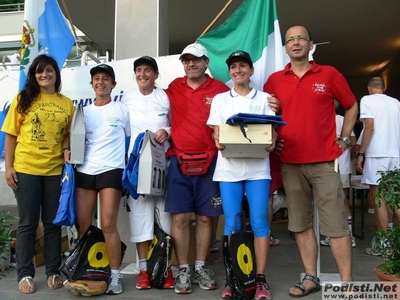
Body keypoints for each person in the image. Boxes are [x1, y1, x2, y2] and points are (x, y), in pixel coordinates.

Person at [264, 25, 358, 297]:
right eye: (290, 39)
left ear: (310, 44)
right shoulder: (274, 80)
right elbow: (268, 116)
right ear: (285, 48)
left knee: (337, 225)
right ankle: (311, 278)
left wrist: (344, 138)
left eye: (300, 38)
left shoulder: (329, 74)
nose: (295, 43)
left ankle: (347, 283)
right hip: (290, 162)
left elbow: (351, 104)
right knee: (300, 224)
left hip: (324, 161)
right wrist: (275, 136)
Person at [207, 50, 277, 300]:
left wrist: (271, 141)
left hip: (258, 168)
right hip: (229, 169)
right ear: (230, 72)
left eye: (243, 66)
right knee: (232, 223)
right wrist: (218, 139)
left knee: (259, 222)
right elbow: (216, 131)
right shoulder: (220, 99)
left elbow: (272, 131)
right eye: (234, 67)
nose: (238, 70)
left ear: (251, 70)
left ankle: (259, 279)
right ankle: (234, 278)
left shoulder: (267, 98)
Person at [1, 54, 74, 294]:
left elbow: (66, 134)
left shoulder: (67, 103)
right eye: (40, 71)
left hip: (54, 171)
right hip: (26, 170)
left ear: (56, 74)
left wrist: (65, 150)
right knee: (27, 224)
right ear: (34, 75)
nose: (45, 75)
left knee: (53, 224)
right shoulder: (23, 99)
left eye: (49, 70)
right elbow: (10, 135)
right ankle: (25, 275)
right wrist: (9, 167)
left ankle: (53, 271)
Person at [164, 43, 229, 294]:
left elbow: (240, 109)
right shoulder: (172, 88)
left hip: (212, 162)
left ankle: (200, 267)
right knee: (180, 218)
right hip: (179, 161)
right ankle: (183, 270)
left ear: (206, 63)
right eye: (186, 60)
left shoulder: (221, 89)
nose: (191, 64)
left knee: (205, 217)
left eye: (196, 60)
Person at [74, 64, 130, 295]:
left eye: (105, 79)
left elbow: (130, 139)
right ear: (92, 84)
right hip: (85, 169)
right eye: (96, 78)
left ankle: (115, 276)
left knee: (108, 224)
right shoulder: (83, 112)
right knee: (84, 226)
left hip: (112, 169)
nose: (100, 82)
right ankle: (85, 272)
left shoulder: (122, 110)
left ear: (113, 85)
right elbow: (72, 141)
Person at [120, 55, 174, 290]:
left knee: (166, 220)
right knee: (140, 219)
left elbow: (176, 124)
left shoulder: (165, 96)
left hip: (163, 166)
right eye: (139, 70)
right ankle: (143, 269)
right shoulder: (126, 98)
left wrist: (167, 131)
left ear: (156, 74)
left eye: (148, 70)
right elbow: (119, 131)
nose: (143, 74)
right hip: (136, 169)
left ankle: (165, 268)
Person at [354, 77, 400, 255]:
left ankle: (384, 244)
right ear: (384, 87)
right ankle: (389, 240)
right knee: (394, 198)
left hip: (377, 154)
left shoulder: (367, 100)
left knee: (379, 198)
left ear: (368, 88)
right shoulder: (396, 102)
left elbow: (370, 127)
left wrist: (361, 153)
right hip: (395, 154)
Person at [321, 101, 357, 248]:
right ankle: (332, 235)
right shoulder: (320, 119)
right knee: (327, 202)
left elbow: (354, 140)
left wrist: (341, 140)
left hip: (341, 165)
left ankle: (349, 236)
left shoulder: (342, 119)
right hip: (324, 166)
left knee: (341, 201)